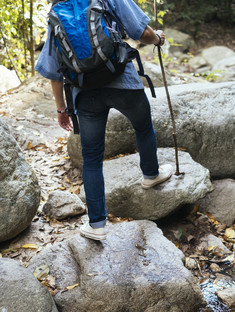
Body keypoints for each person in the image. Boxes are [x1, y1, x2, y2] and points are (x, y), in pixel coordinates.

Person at [35, 0, 173, 241]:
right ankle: (151, 175)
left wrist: (61, 108)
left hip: (84, 92)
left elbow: (52, 68)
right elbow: (139, 31)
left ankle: (97, 223)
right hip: (122, 80)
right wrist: (159, 39)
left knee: (91, 157)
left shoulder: (57, 11)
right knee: (143, 126)